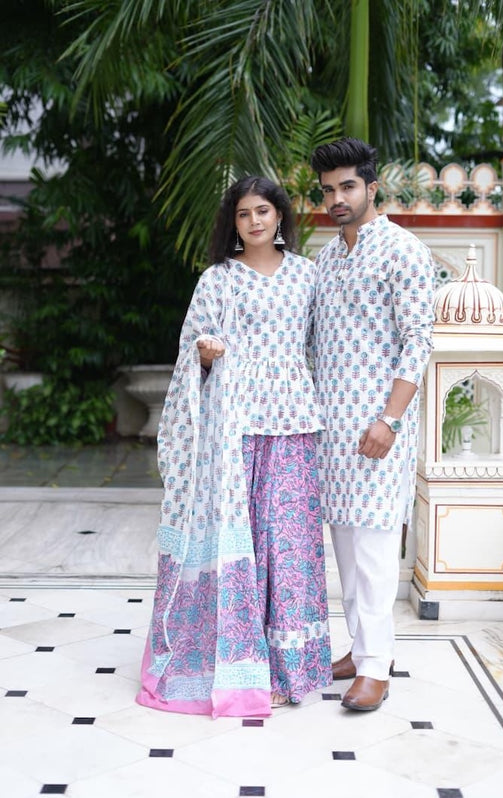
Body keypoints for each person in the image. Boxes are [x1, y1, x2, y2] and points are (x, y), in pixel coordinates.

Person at [137, 175, 331, 719]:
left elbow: (320, 347)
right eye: (244, 214)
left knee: (287, 546)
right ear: (234, 223)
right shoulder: (217, 279)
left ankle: (291, 670)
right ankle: (237, 664)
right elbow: (191, 350)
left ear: (280, 215)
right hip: (235, 426)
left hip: (293, 422)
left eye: (262, 211)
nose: (254, 221)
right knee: (240, 543)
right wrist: (204, 354)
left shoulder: (307, 275)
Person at [310, 138, 434, 712]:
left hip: (380, 427)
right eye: (328, 190)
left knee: (376, 548)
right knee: (345, 544)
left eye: (347, 186)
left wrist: (390, 419)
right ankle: (361, 649)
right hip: (331, 430)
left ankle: (377, 669)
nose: (337, 198)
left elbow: (418, 342)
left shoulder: (403, 250)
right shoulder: (325, 258)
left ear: (371, 187)